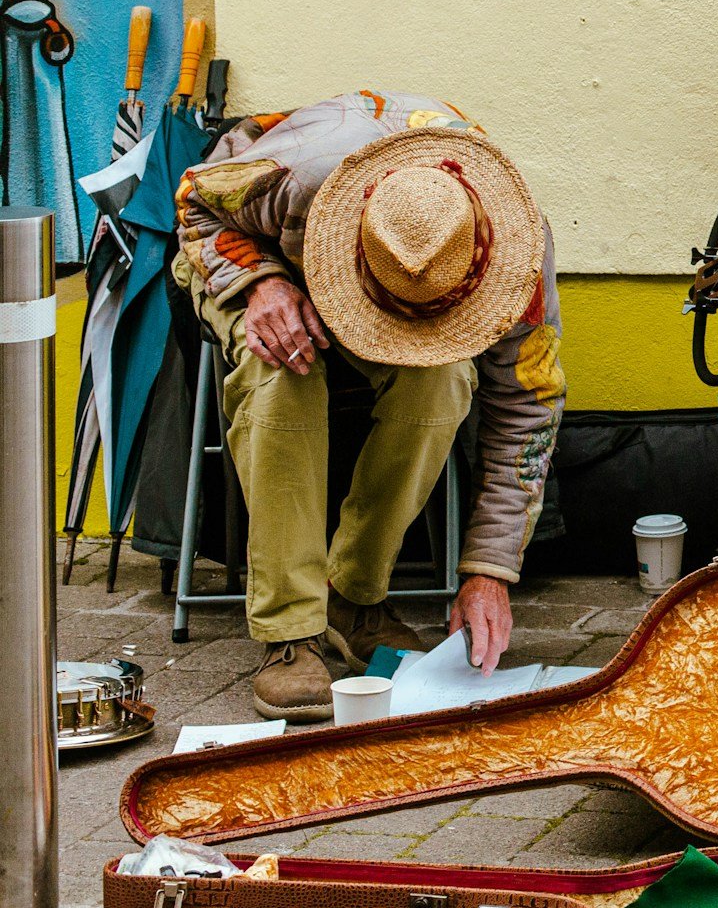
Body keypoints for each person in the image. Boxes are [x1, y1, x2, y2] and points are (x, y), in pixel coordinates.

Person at [173, 97, 564, 720]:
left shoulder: (516, 250)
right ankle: (290, 631)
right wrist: (262, 282)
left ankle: (351, 595)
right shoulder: (294, 179)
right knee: (282, 371)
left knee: (442, 383)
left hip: (386, 272)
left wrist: (491, 568)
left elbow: (529, 405)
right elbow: (193, 199)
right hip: (250, 249)